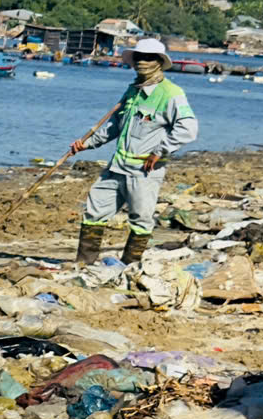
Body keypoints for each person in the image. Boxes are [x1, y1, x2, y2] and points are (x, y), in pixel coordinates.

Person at [70, 37, 196, 262]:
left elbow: (188, 129)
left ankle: (130, 265)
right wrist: (86, 143)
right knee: (94, 210)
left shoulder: (171, 94)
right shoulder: (133, 91)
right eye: (138, 57)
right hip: (117, 166)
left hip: (144, 170)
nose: (142, 62)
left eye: (148, 58)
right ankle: (85, 263)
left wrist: (161, 151)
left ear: (158, 61)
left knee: (140, 219)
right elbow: (114, 126)